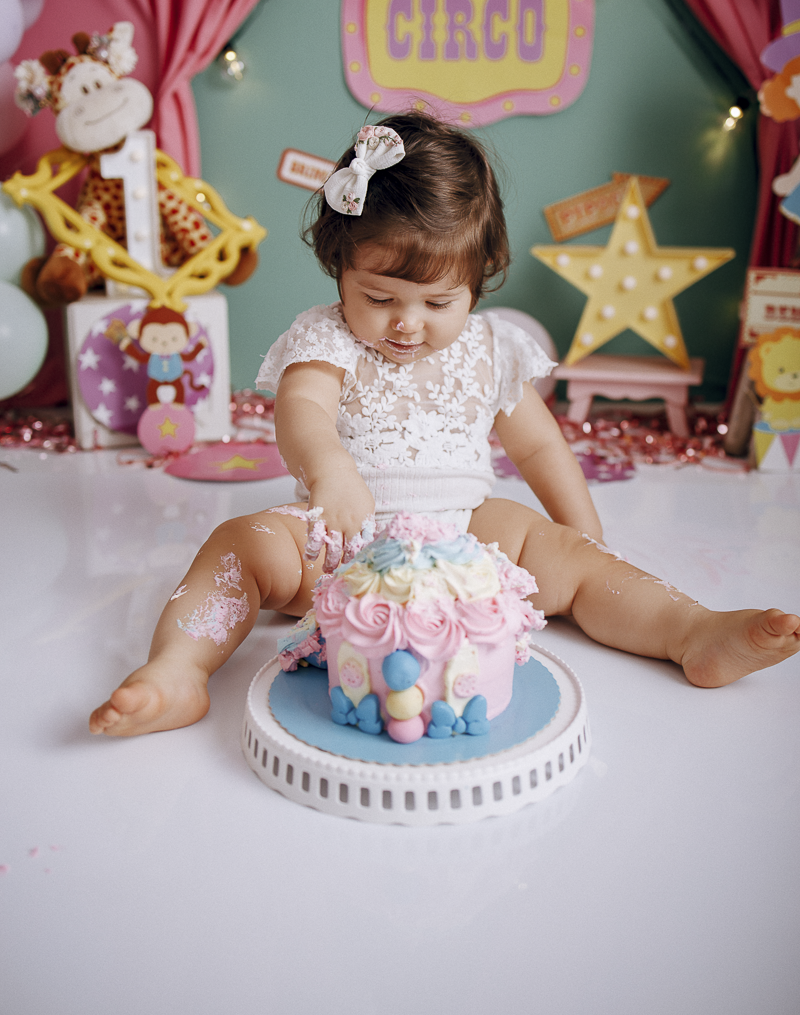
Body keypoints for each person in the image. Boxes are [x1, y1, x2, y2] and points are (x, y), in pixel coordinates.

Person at [89, 114, 800, 737]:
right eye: (380, 296)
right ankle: (178, 668)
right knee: (241, 543)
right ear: (340, 266)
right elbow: (301, 411)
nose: (407, 322)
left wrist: (583, 536)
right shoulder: (328, 337)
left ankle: (693, 633)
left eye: (437, 301)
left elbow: (539, 444)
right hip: (344, 540)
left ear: (480, 277)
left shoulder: (489, 348)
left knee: (576, 561)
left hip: (469, 538)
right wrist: (328, 469)